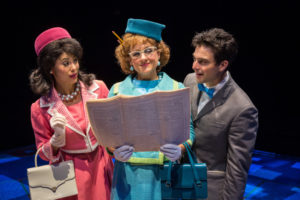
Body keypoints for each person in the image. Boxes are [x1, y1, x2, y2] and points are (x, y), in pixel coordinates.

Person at [107, 18, 195, 200]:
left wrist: (181, 149)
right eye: (136, 53)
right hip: (127, 177)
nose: (143, 58)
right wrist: (112, 150)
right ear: (128, 59)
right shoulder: (116, 90)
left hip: (165, 176)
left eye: (148, 51)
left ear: (159, 53)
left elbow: (189, 132)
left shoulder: (176, 88)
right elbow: (108, 135)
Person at [29, 27, 113, 200]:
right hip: (67, 174)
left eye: (75, 60)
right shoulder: (40, 108)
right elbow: (42, 153)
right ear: (50, 68)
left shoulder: (99, 89)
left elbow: (113, 129)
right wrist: (55, 142)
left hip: (101, 167)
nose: (74, 67)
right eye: (65, 63)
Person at [183, 28, 258, 200]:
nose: (195, 66)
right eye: (195, 59)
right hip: (181, 182)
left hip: (210, 192)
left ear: (222, 65)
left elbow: (237, 168)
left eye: (202, 62)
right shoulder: (190, 80)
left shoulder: (242, 108)